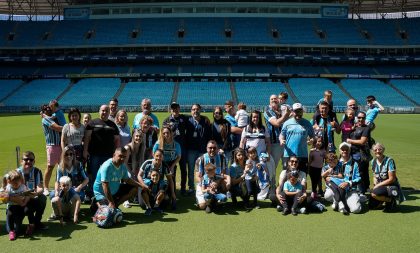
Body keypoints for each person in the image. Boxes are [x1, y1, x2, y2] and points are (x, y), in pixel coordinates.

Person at [84, 105, 120, 196]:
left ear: (109, 112)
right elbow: (87, 138)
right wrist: (85, 150)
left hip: (108, 155)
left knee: (106, 175)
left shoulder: (112, 125)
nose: (104, 112)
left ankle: (106, 193)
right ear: (99, 111)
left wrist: (116, 154)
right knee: (94, 175)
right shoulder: (92, 123)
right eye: (103, 110)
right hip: (95, 154)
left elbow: (117, 140)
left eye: (106, 111)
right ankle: (92, 194)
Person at [92, 147, 142, 212]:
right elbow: (105, 187)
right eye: (120, 156)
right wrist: (111, 202)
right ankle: (96, 202)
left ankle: (115, 205)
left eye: (124, 157)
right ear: (114, 155)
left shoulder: (123, 165)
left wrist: (140, 185)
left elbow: (127, 180)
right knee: (108, 214)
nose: (122, 159)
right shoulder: (107, 166)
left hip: (114, 191)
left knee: (134, 188)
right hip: (102, 193)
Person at [240, 110, 275, 186]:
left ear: (260, 118)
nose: (255, 119)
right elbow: (242, 142)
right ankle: (249, 189)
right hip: (249, 156)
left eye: (257, 117)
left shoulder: (264, 128)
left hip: (261, 156)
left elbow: (268, 143)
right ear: (251, 118)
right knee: (249, 173)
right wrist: (242, 154)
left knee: (262, 172)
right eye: (254, 117)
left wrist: (268, 154)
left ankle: (264, 188)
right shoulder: (246, 128)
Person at [328, 142, 362, 214]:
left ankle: (349, 200)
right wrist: (328, 177)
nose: (344, 151)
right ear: (339, 151)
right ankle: (338, 200)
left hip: (350, 190)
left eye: (346, 149)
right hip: (337, 188)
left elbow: (359, 178)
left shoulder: (355, 163)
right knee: (327, 195)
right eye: (342, 149)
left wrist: (348, 183)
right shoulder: (335, 162)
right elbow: (327, 175)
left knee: (356, 209)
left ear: (349, 150)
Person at [280, 103, 315, 173]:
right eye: (296, 111)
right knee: (286, 176)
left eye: (300, 111)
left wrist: (311, 140)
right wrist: (281, 140)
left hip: (302, 155)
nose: (298, 113)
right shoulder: (287, 123)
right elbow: (282, 134)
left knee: (302, 178)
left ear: (302, 111)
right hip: (288, 154)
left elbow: (312, 136)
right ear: (292, 112)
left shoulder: (307, 123)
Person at [369, 143, 404, 211]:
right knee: (371, 206)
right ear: (373, 152)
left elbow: (392, 179)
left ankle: (390, 200)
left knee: (374, 194)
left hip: (390, 185)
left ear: (383, 150)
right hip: (381, 186)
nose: (377, 151)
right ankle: (384, 200)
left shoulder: (389, 161)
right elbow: (374, 176)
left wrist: (377, 186)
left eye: (380, 149)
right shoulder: (373, 161)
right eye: (375, 150)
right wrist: (375, 185)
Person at [163, 102, 188, 195]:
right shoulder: (166, 120)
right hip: (171, 149)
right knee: (172, 169)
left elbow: (195, 118)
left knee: (183, 170)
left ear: (179, 109)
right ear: (170, 110)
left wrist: (204, 118)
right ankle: (172, 189)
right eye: (173, 109)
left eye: (176, 108)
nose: (175, 110)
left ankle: (183, 188)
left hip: (182, 148)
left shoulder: (184, 118)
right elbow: (164, 134)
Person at [195, 140, 230, 210]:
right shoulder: (200, 159)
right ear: (206, 148)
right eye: (210, 148)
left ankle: (217, 200)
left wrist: (216, 183)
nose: (212, 150)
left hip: (217, 182)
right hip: (204, 184)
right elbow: (197, 176)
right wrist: (206, 185)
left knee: (225, 183)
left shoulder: (222, 158)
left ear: (217, 149)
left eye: (214, 148)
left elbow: (223, 174)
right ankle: (208, 201)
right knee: (202, 206)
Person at [185, 104, 212, 194]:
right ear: (191, 111)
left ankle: (202, 186)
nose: (195, 111)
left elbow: (208, 136)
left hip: (202, 150)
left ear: (200, 110)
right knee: (191, 169)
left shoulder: (205, 121)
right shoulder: (188, 120)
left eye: (197, 109)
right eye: (193, 109)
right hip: (191, 150)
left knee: (203, 169)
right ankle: (191, 187)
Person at [153, 126, 180, 208]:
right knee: (159, 178)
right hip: (161, 162)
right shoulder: (158, 143)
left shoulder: (176, 144)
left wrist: (172, 166)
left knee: (171, 178)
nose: (166, 134)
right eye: (164, 133)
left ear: (171, 133)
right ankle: (158, 196)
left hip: (171, 162)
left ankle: (173, 197)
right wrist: (158, 164)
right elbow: (154, 154)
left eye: (167, 133)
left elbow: (179, 156)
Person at [137, 149, 172, 215]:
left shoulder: (165, 165)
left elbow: (170, 180)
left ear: (163, 157)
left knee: (166, 202)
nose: (158, 158)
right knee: (143, 205)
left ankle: (156, 206)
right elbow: (139, 176)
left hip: (158, 187)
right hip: (145, 186)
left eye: (160, 156)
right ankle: (149, 207)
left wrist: (173, 194)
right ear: (153, 155)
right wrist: (144, 185)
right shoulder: (147, 163)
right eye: (157, 156)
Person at [40, 104, 63, 196]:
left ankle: (61, 186)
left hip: (61, 145)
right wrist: (70, 127)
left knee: (62, 167)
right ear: (43, 111)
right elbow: (57, 128)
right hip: (52, 145)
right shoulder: (45, 119)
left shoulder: (53, 117)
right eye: (45, 109)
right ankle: (45, 187)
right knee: (50, 167)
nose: (48, 110)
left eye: (49, 108)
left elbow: (58, 112)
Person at [264, 94, 291, 173]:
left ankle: (284, 185)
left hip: (286, 142)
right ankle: (271, 185)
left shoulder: (282, 110)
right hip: (275, 143)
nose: (273, 100)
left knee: (287, 167)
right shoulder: (268, 111)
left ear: (278, 100)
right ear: (269, 101)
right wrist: (287, 115)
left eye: (275, 99)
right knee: (272, 166)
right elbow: (276, 123)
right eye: (272, 99)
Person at [347, 111, 371, 194]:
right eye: (359, 117)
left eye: (363, 118)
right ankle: (358, 189)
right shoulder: (354, 127)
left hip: (360, 154)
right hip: (352, 153)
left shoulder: (366, 128)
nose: (361, 119)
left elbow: (362, 142)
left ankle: (361, 192)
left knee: (360, 173)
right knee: (354, 171)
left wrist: (350, 141)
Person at [4, 170, 33, 240]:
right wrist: (7, 196)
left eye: (18, 182)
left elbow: (28, 195)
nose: (16, 184)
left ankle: (31, 225)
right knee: (10, 214)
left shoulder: (23, 187)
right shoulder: (8, 188)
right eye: (14, 183)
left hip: (21, 206)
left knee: (28, 210)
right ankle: (11, 231)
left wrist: (24, 202)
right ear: (9, 182)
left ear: (21, 180)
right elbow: (5, 197)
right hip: (12, 207)